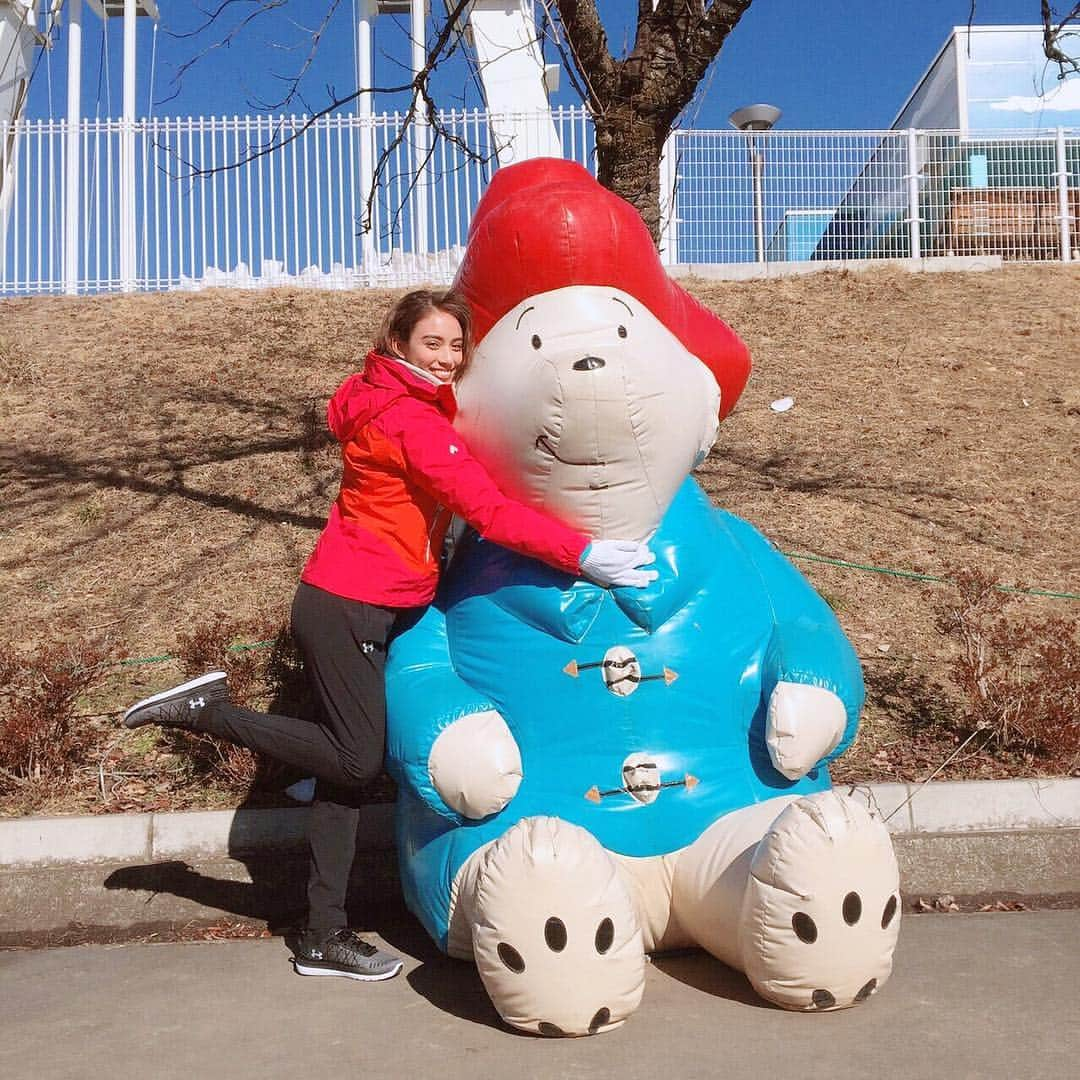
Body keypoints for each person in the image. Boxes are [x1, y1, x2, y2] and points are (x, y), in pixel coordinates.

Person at [122, 288, 656, 984]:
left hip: (380, 603)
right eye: (432, 343)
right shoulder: (411, 420)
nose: (448, 357)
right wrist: (583, 554)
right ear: (399, 344)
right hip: (348, 605)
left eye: (456, 345)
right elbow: (486, 509)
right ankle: (209, 711)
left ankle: (321, 935)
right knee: (353, 761)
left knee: (342, 782)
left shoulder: (391, 401)